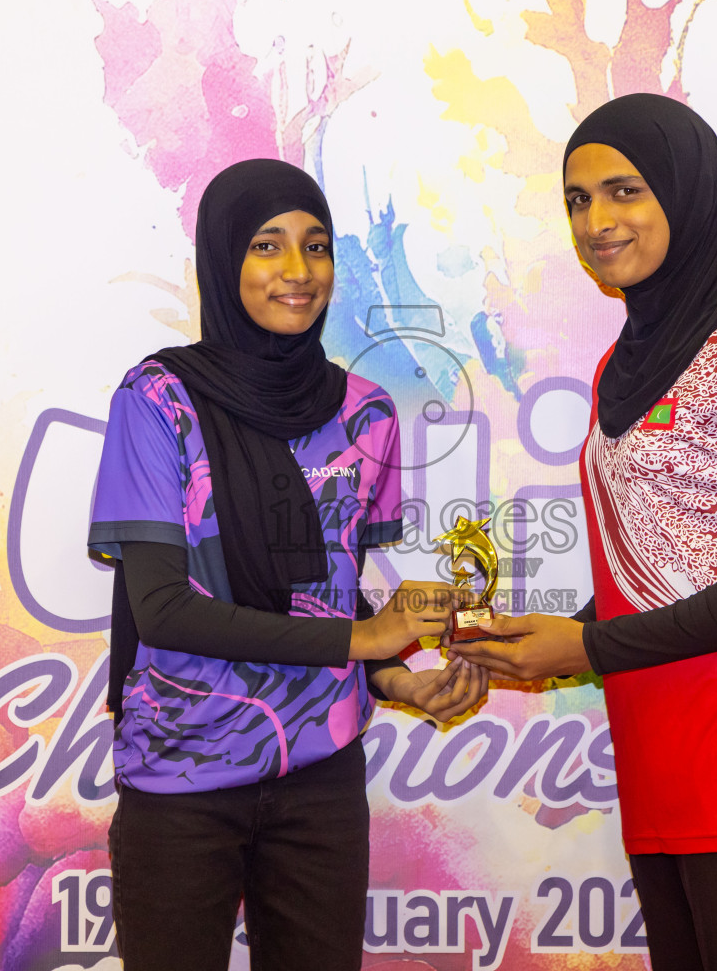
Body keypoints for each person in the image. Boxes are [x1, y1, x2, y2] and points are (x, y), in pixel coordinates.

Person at [452, 94, 717, 971]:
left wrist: (593, 644)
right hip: (662, 765)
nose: (597, 221)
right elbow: (664, 562)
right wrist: (550, 643)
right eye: (577, 200)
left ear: (685, 191)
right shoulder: (622, 362)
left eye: (624, 191)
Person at [87, 158, 488, 970]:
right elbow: (164, 610)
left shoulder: (366, 413)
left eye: (315, 247)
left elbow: (326, 606)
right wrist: (366, 644)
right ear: (223, 257)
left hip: (320, 779)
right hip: (182, 778)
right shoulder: (158, 401)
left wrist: (397, 679)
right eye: (267, 246)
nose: (297, 272)